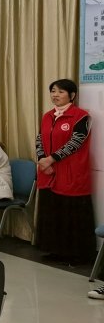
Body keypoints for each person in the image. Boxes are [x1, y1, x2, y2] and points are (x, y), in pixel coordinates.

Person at [31, 79, 97, 270]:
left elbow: (76, 142)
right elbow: (39, 139)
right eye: (53, 91)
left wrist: (51, 159)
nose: (55, 95)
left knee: (72, 214)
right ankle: (55, 250)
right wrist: (42, 160)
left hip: (71, 173)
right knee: (52, 212)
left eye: (60, 92)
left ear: (72, 95)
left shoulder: (81, 116)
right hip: (48, 172)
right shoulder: (47, 116)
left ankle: (77, 255)